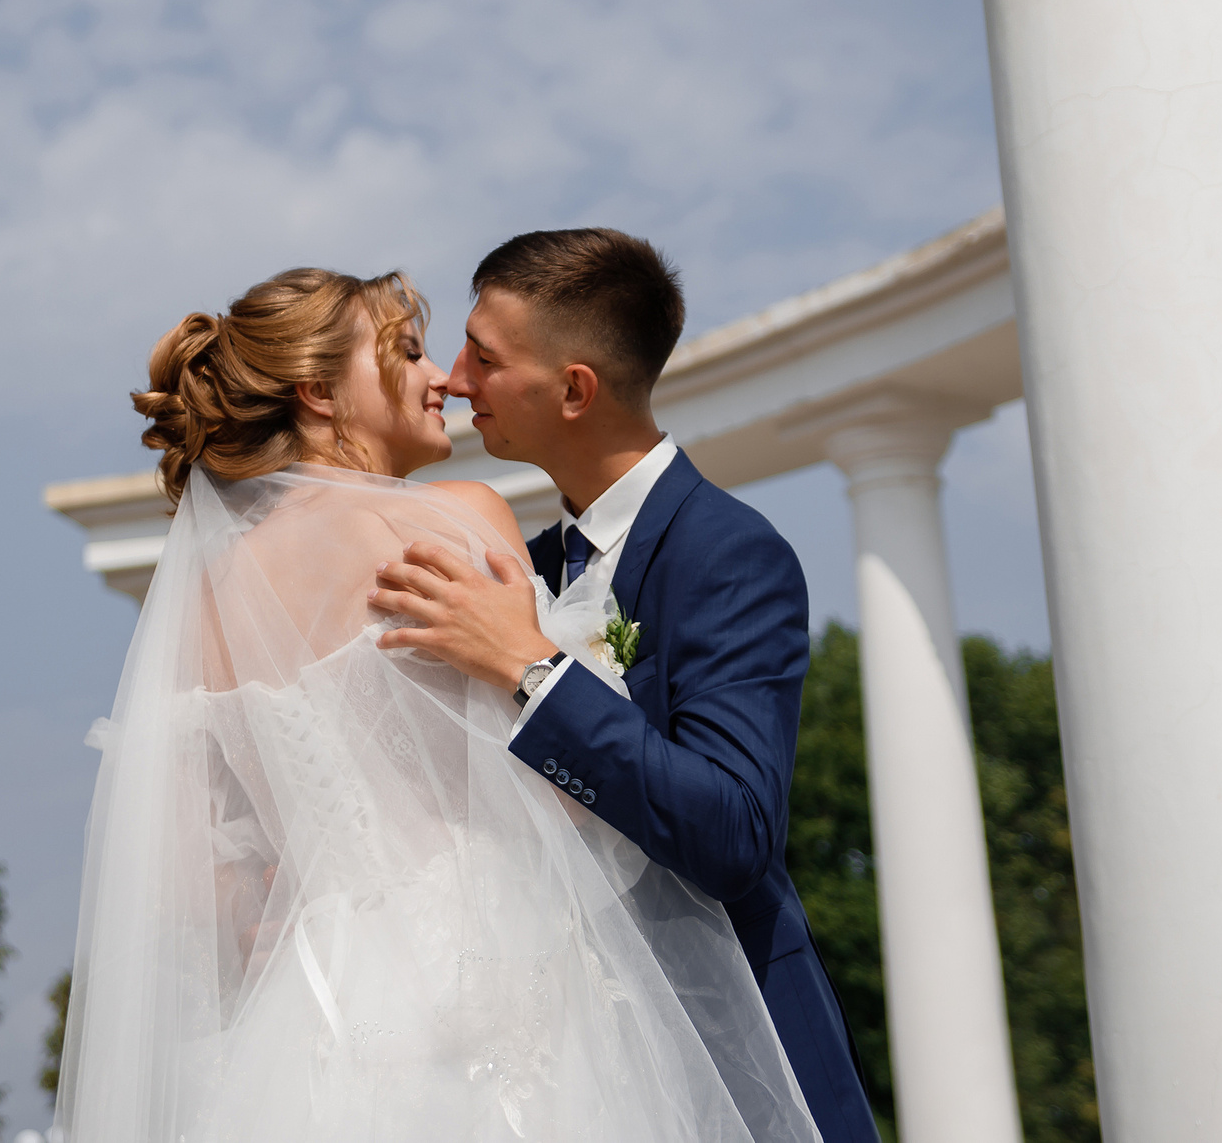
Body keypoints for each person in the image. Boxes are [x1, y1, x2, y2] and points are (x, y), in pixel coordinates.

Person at [51, 266, 821, 1143]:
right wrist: (544, 673)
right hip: (501, 986)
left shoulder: (204, 602)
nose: (442, 378)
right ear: (318, 391)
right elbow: (567, 817)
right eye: (408, 352)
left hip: (320, 1017)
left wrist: (309, 902)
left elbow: (196, 899)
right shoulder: (457, 519)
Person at [371, 229, 879, 1143]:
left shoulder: (731, 554)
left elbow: (733, 832)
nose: (451, 379)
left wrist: (531, 670)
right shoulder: (512, 571)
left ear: (574, 389)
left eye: (483, 358)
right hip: (560, 1075)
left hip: (727, 1070)